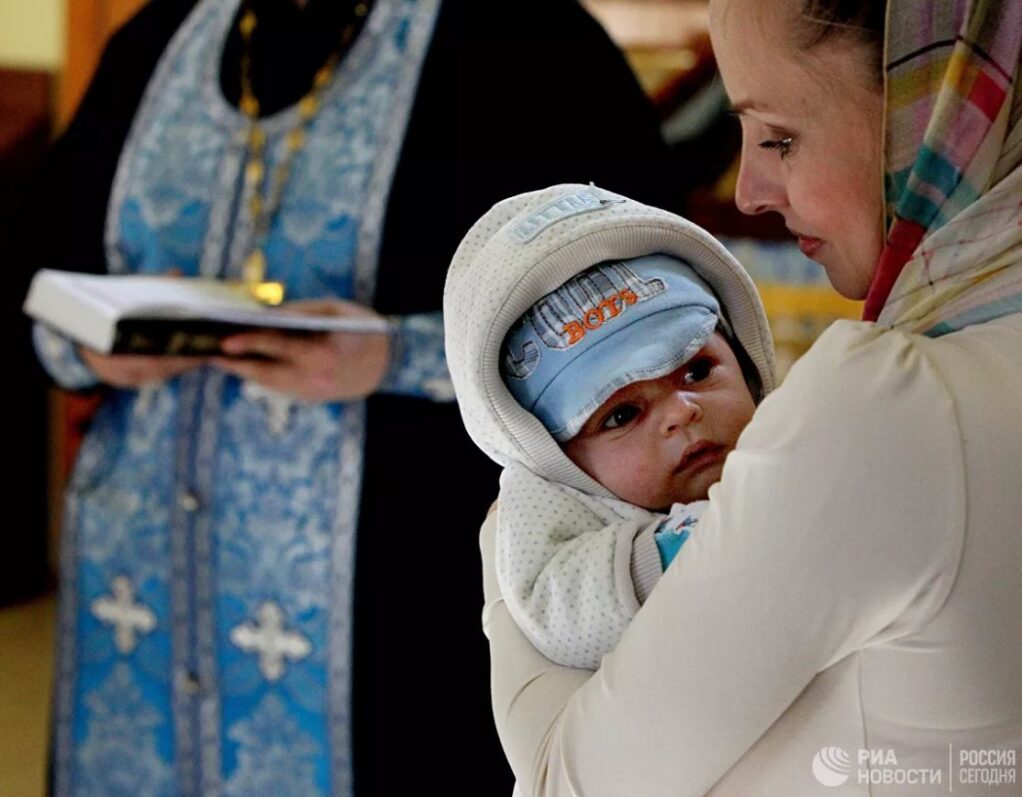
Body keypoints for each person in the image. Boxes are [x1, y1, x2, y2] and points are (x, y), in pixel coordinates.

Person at [18, 1, 677, 794]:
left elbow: (642, 309)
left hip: (398, 596)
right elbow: (34, 268)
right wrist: (89, 346)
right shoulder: (160, 38)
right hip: (143, 573)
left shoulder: (532, 45)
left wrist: (397, 355)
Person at [479, 1, 1022, 794]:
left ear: (928, 109)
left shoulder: (890, 410)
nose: (749, 191)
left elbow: (565, 782)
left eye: (779, 138)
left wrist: (514, 546)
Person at [444, 184, 775, 669]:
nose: (681, 412)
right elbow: (551, 606)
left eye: (698, 371)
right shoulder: (549, 504)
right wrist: (671, 556)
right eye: (622, 415)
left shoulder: (801, 431)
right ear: (558, 457)